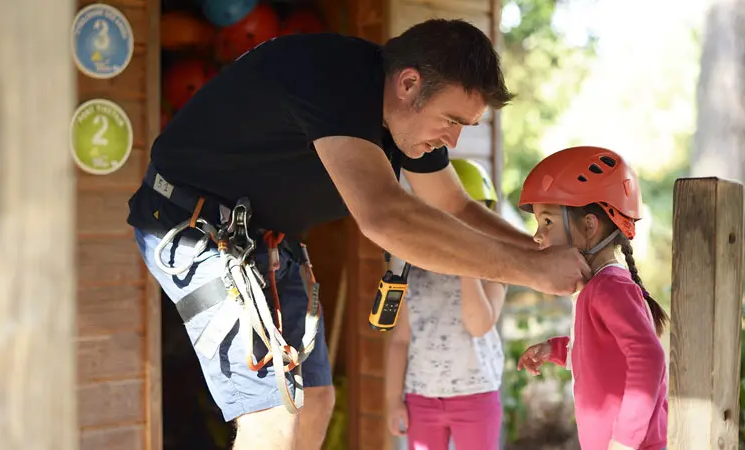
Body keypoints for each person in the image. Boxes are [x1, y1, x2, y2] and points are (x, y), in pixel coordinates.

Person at [126, 19, 591, 450]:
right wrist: (531, 271)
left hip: (265, 238)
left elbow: (455, 205)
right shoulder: (337, 77)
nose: (453, 142)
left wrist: (540, 251)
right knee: (271, 414)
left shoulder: (408, 121)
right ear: (409, 84)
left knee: (315, 401)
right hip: (192, 223)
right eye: (451, 121)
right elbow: (385, 217)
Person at [516, 146, 669, 450]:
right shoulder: (597, 286)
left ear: (589, 226)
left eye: (547, 222)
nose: (537, 235)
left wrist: (625, 439)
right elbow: (602, 351)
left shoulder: (609, 288)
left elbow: (649, 357)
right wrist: (555, 349)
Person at [385, 159, 506, 450]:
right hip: (421, 397)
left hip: (476, 395)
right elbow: (401, 339)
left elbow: (478, 326)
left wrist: (467, 264)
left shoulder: (496, 270)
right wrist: (392, 400)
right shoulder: (410, 269)